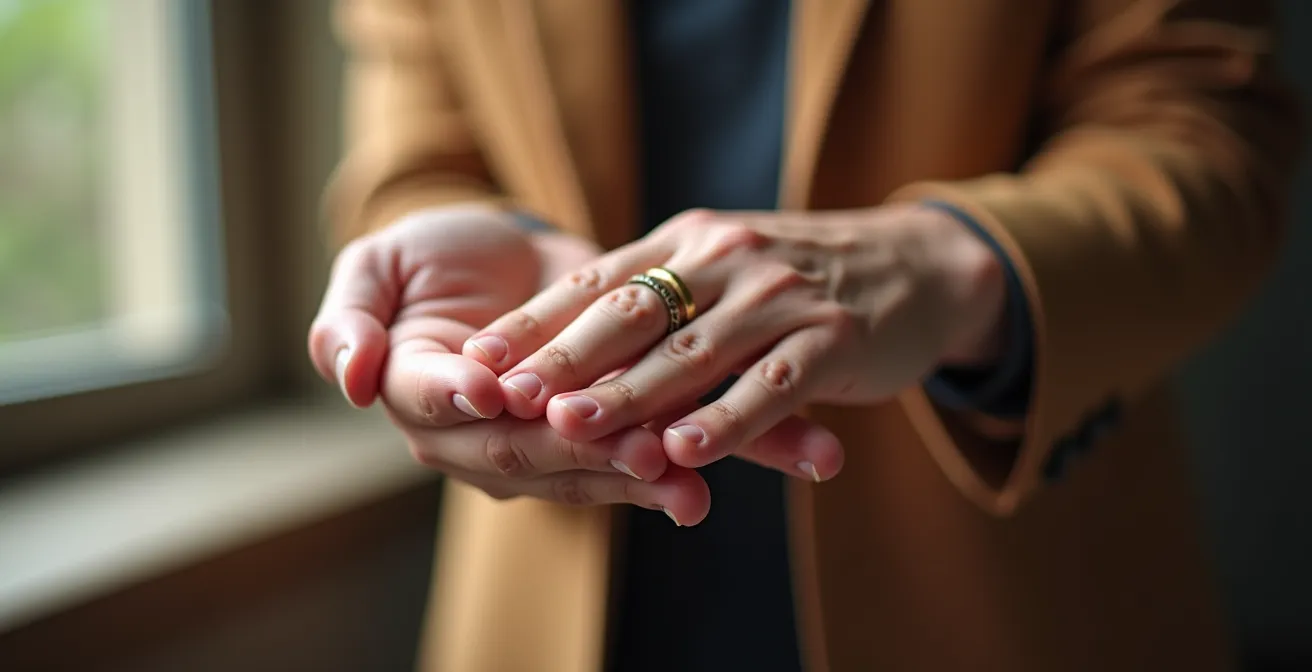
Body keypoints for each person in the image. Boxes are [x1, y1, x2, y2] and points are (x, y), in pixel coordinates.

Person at [308, 0, 1302, 669]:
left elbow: (1204, 128)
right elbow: (416, 156)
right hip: (556, 598)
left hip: (1005, 595)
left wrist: (947, 266)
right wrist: (444, 285)